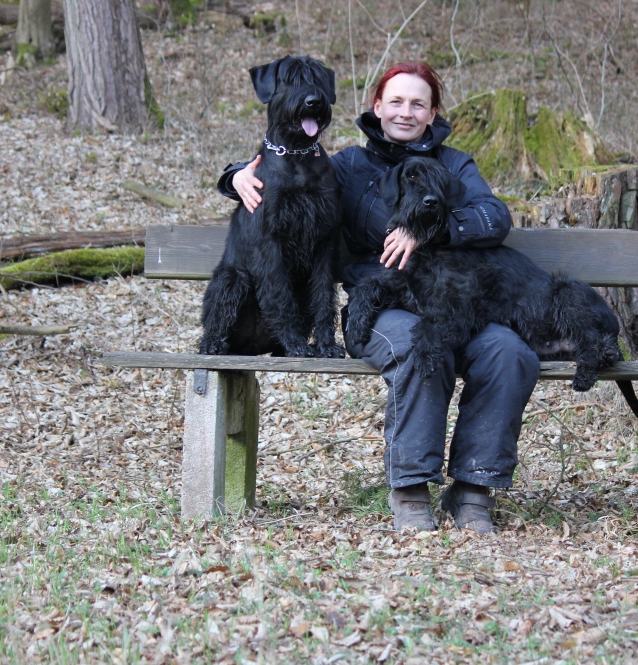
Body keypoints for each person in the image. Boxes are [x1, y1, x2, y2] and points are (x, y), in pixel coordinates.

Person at [218, 62, 539, 533]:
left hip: (456, 304)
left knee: (508, 351)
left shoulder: (455, 165)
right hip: (381, 309)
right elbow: (283, 164)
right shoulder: (347, 167)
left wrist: (434, 231)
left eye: (418, 104)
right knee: (414, 346)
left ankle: (473, 489)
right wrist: (234, 178)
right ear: (377, 107)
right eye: (396, 102)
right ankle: (410, 490)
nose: (405, 113)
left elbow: (494, 217)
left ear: (432, 114)